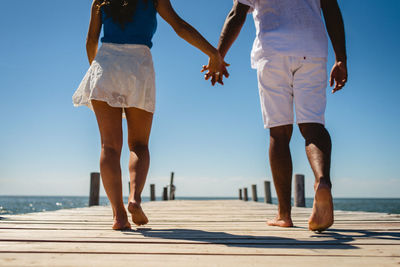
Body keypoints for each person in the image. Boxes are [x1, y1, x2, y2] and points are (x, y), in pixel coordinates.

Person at [73, 0, 228, 230]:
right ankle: (134, 199)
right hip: (138, 65)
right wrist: (213, 53)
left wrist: (98, 74)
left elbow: (91, 41)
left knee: (109, 147)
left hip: (105, 65)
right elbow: (180, 27)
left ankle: (119, 215)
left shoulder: (101, 0)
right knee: (139, 144)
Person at [206, 0, 348, 232]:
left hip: (272, 53)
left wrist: (218, 55)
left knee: (279, 132)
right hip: (312, 49)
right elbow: (331, 9)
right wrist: (340, 58)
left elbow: (237, 13)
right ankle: (322, 180)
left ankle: (284, 214)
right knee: (313, 126)